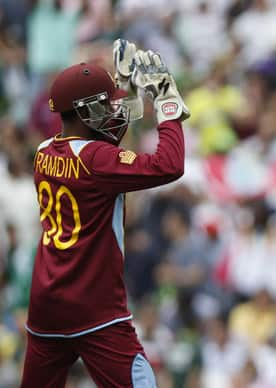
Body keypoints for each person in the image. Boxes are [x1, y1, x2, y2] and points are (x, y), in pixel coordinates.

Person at [20, 39, 190, 387]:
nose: (114, 111)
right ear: (85, 112)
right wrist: (166, 102)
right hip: (94, 307)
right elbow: (169, 165)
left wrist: (123, 88)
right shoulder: (96, 160)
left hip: (46, 302)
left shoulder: (43, 150)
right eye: (105, 105)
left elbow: (104, 145)